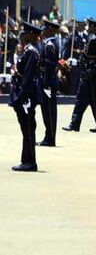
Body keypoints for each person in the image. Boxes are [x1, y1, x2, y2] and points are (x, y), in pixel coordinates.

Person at [9, 22, 42, 171]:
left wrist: (23, 97)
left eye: (25, 33)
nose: (22, 35)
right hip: (23, 93)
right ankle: (26, 160)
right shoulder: (27, 50)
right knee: (26, 128)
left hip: (27, 95)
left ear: (31, 35)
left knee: (28, 127)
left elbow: (28, 77)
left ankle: (29, 161)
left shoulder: (31, 52)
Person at [36, 20, 60, 147]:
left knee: (49, 111)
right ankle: (48, 136)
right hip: (48, 79)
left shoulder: (49, 44)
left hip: (48, 80)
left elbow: (49, 66)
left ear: (50, 30)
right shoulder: (50, 43)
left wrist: (46, 85)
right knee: (47, 110)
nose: (43, 30)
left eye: (45, 29)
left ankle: (50, 138)